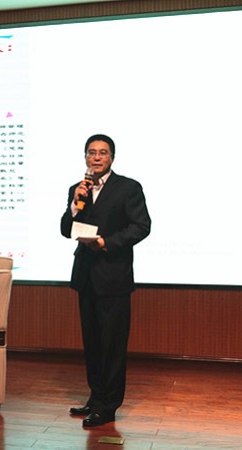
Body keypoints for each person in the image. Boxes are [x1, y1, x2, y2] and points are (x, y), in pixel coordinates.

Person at [60, 134, 151, 427]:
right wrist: (75, 206)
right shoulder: (78, 189)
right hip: (86, 277)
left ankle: (108, 406)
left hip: (113, 277)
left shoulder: (128, 188)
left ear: (112, 157)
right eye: (92, 152)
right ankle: (95, 398)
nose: (97, 157)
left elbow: (141, 226)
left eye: (103, 153)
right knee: (93, 343)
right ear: (85, 157)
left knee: (112, 345)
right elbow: (66, 229)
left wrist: (106, 242)